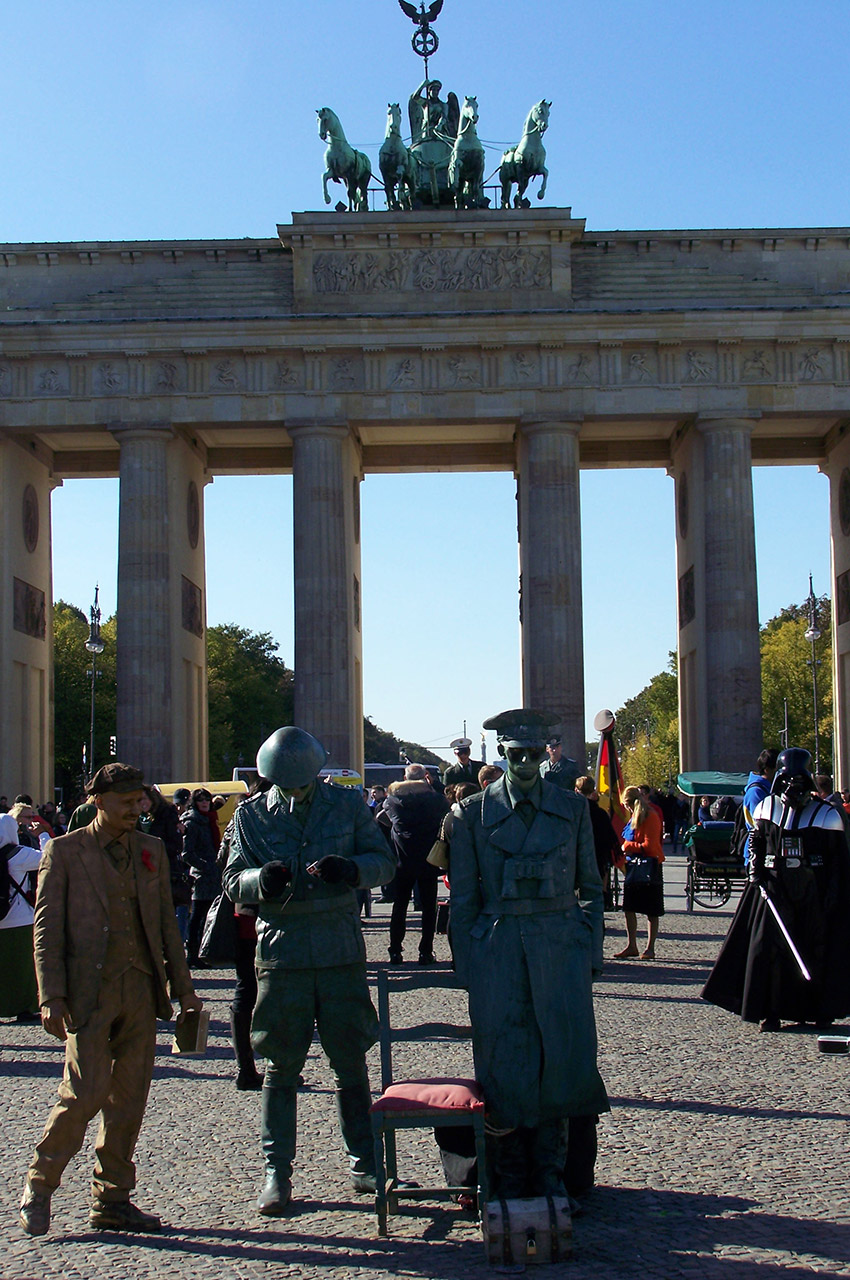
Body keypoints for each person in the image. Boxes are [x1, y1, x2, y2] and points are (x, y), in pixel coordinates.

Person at [19, 763, 202, 1237]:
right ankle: (39, 1185)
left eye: (139, 800)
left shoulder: (151, 850)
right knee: (82, 1094)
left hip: (142, 991)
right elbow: (46, 931)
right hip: (88, 995)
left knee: (129, 1102)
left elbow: (166, 925)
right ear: (97, 801)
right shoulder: (64, 852)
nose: (136, 809)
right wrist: (51, 995)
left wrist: (184, 991)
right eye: (124, 802)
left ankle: (113, 1198)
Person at [223, 726, 396, 1214]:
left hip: (339, 946)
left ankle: (364, 1162)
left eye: (302, 783)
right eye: (287, 783)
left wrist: (353, 871)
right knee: (280, 1064)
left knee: (349, 1061)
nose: (296, 791)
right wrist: (261, 881)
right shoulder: (251, 816)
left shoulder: (346, 806)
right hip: (283, 950)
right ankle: (276, 1171)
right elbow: (233, 880)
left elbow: (385, 861)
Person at [450, 709, 608, 1198]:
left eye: (534, 754)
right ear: (501, 754)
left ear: (545, 755)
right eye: (515, 754)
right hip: (499, 946)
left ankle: (553, 1172)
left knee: (563, 1058)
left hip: (560, 945)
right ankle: (507, 1171)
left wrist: (589, 946)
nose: (524, 763)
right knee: (503, 1058)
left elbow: (591, 886)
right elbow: (463, 899)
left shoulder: (574, 808)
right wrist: (469, 959)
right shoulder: (470, 814)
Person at [702, 747, 850, 1032]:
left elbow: (837, 861)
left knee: (816, 948)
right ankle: (770, 1009)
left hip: (812, 889)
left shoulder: (826, 816)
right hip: (773, 886)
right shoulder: (767, 808)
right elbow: (756, 841)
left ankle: (817, 1009)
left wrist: (832, 894)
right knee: (768, 951)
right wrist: (755, 870)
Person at [383, 764, 449, 965]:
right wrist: (433, 785)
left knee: (400, 906)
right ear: (425, 777)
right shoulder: (435, 800)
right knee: (429, 908)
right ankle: (425, 951)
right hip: (428, 859)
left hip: (403, 860)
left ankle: (395, 950)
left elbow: (382, 818)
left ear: (404, 778)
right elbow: (445, 808)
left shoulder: (393, 801)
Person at [614, 785, 665, 960]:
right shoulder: (635, 817)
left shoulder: (650, 816)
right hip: (634, 866)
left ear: (630, 803)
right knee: (629, 907)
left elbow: (650, 847)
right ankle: (632, 945)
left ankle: (650, 947)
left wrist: (628, 846)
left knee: (652, 910)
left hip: (649, 866)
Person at [0, 812, 43, 1021]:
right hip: (19, 917)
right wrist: (43, 836)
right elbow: (50, 858)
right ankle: (24, 1007)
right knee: (23, 967)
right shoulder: (19, 854)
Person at [181, 788, 221, 968]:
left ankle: (201, 953)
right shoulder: (193, 822)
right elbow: (187, 853)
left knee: (206, 917)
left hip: (211, 875)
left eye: (207, 799)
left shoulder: (209, 820)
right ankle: (192, 954)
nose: (205, 803)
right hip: (200, 876)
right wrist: (206, 866)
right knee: (197, 917)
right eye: (201, 800)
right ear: (194, 802)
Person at [575, 776, 620, 899]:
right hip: (597, 862)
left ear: (576, 790)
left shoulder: (572, 813)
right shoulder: (600, 814)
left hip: (575, 864)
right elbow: (609, 841)